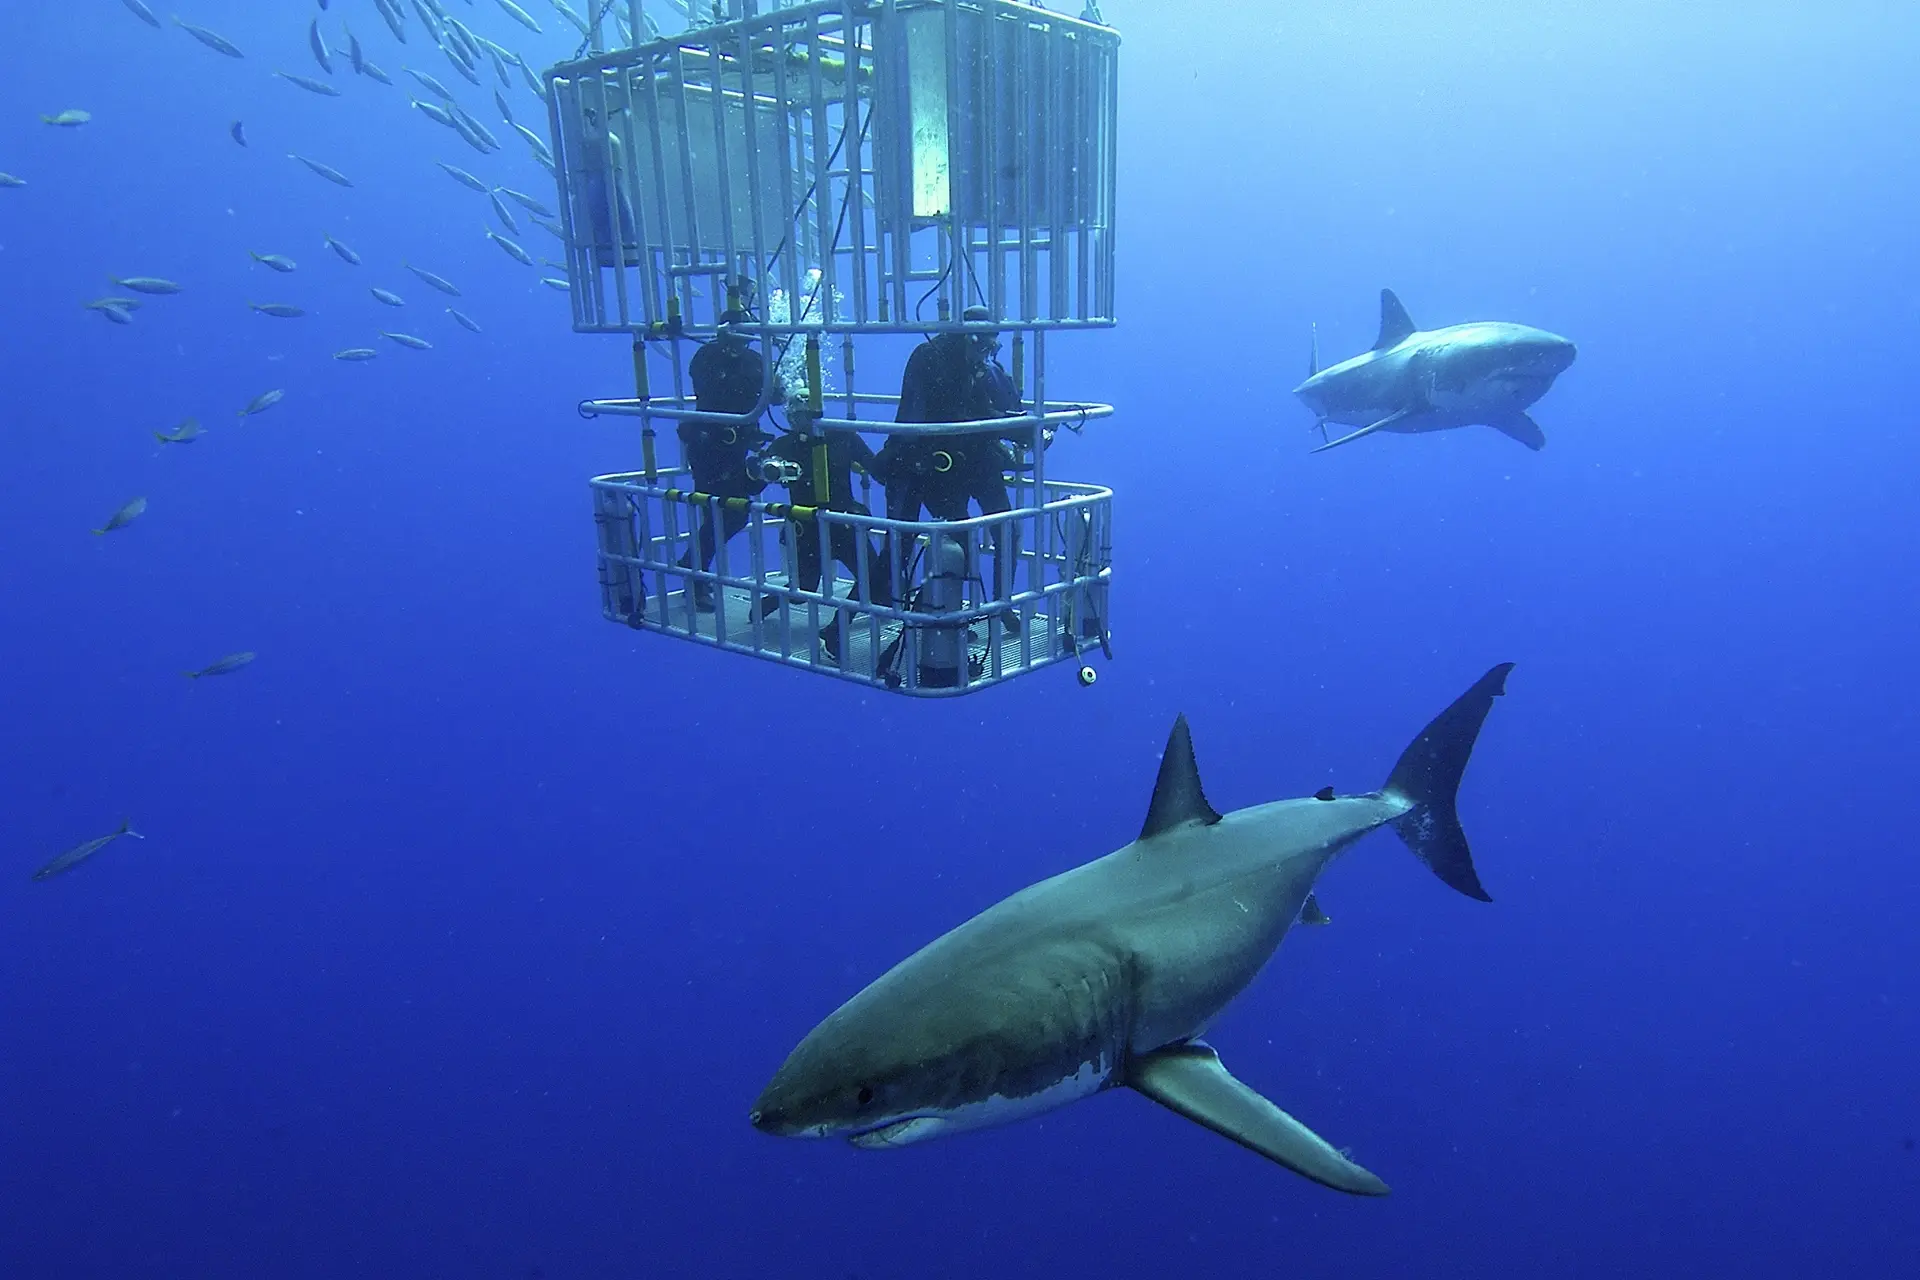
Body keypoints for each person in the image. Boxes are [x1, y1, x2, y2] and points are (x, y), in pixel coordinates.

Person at [873, 305, 1031, 602]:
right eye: (982, 345)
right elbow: (936, 415)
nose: (986, 353)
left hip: (973, 458)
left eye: (992, 346)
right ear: (966, 337)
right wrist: (1009, 426)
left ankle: (1000, 605)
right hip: (931, 463)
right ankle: (917, 608)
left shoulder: (985, 368)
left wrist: (1024, 428)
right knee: (908, 545)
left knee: (1005, 531)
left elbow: (1005, 408)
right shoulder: (931, 357)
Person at [679, 312, 780, 610]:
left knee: (727, 514)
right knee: (724, 514)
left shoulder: (755, 360)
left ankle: (694, 570)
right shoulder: (707, 356)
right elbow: (715, 394)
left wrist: (781, 387)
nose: (741, 342)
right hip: (707, 446)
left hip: (737, 448)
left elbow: (769, 397)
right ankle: (694, 573)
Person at [758, 428, 894, 615]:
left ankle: (840, 621)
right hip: (809, 529)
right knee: (802, 590)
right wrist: (757, 468)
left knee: (878, 587)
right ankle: (769, 603)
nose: (796, 420)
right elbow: (756, 481)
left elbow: (878, 471)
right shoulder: (784, 445)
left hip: (843, 526)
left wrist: (892, 456)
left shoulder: (844, 437)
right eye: (792, 415)